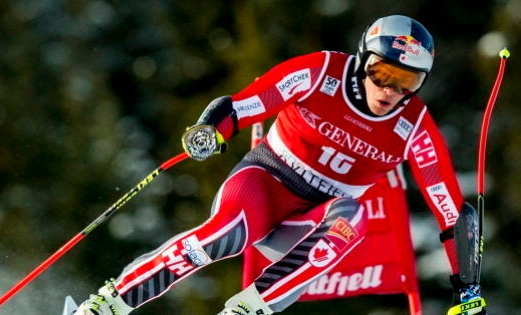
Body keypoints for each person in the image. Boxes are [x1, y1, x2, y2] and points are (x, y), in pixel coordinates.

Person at [75, 15, 486, 314]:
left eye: (407, 82)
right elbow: (243, 105)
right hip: (265, 185)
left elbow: (452, 214)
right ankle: (108, 304)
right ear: (363, 60)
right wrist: (211, 132)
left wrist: (467, 291)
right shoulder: (322, 70)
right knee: (220, 239)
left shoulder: (414, 126)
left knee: (351, 218)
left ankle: (248, 309)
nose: (389, 90)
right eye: (381, 73)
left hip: (312, 220)